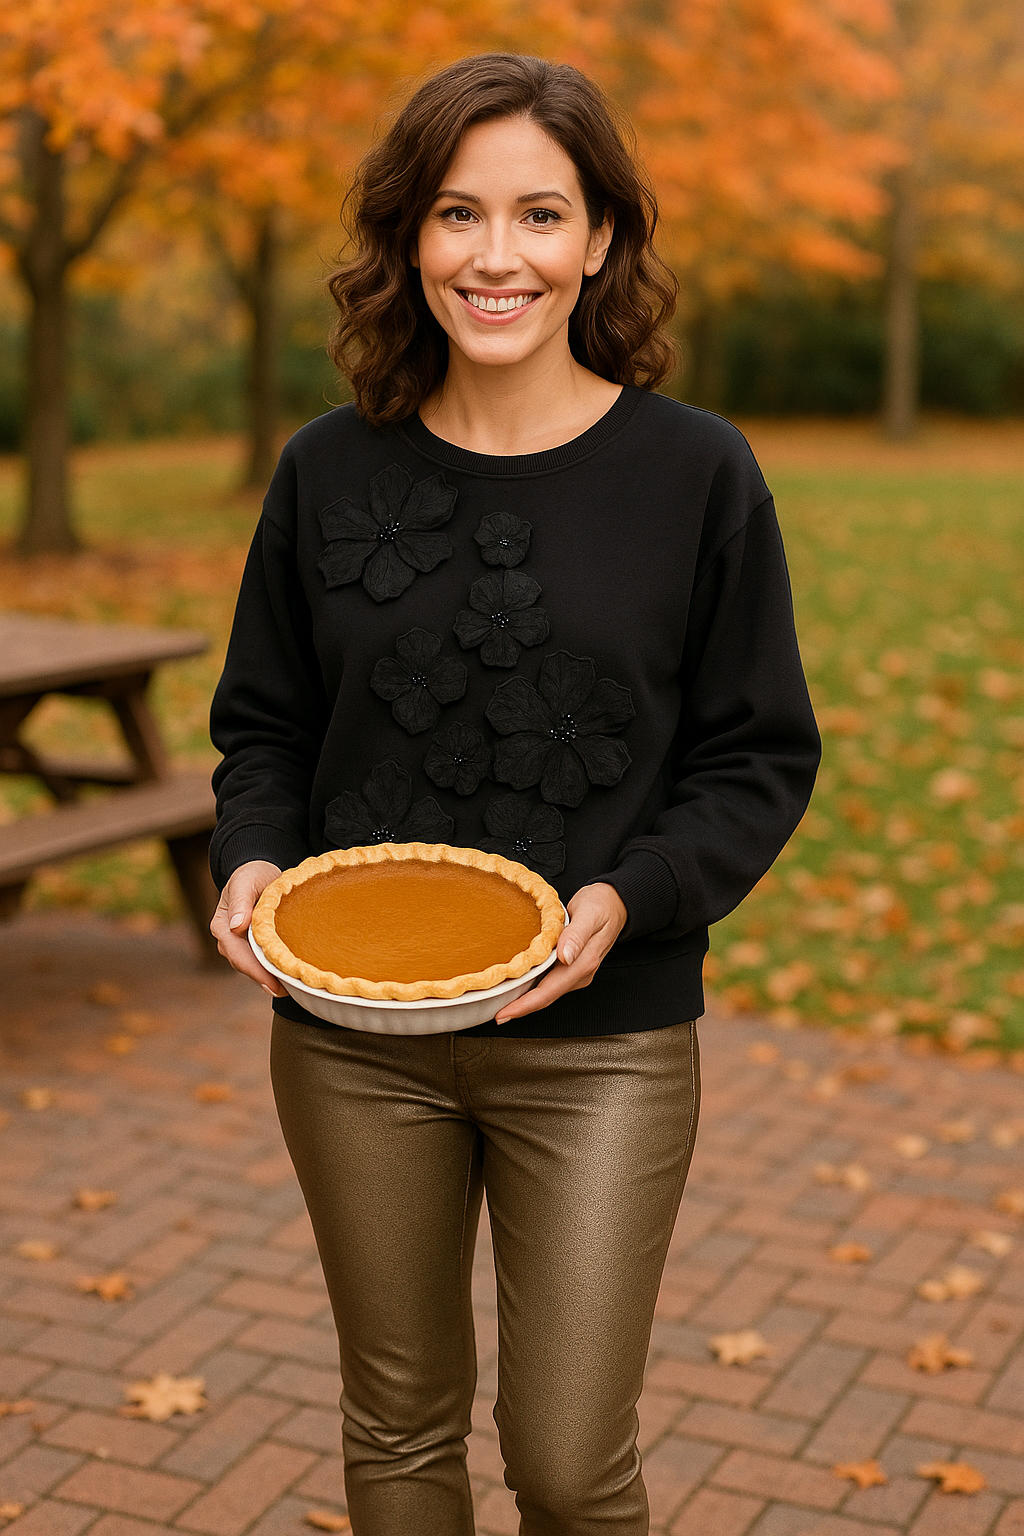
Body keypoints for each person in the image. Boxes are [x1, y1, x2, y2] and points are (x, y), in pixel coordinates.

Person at [209, 52, 820, 1536]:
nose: (498, 257)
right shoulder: (324, 473)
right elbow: (266, 727)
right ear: (409, 237)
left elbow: (758, 751)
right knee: (397, 1430)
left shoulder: (698, 474)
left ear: (600, 238)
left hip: (605, 1046)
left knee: (567, 1462)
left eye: (540, 215)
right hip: (354, 1042)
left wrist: (636, 894)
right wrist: (250, 855)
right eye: (457, 213)